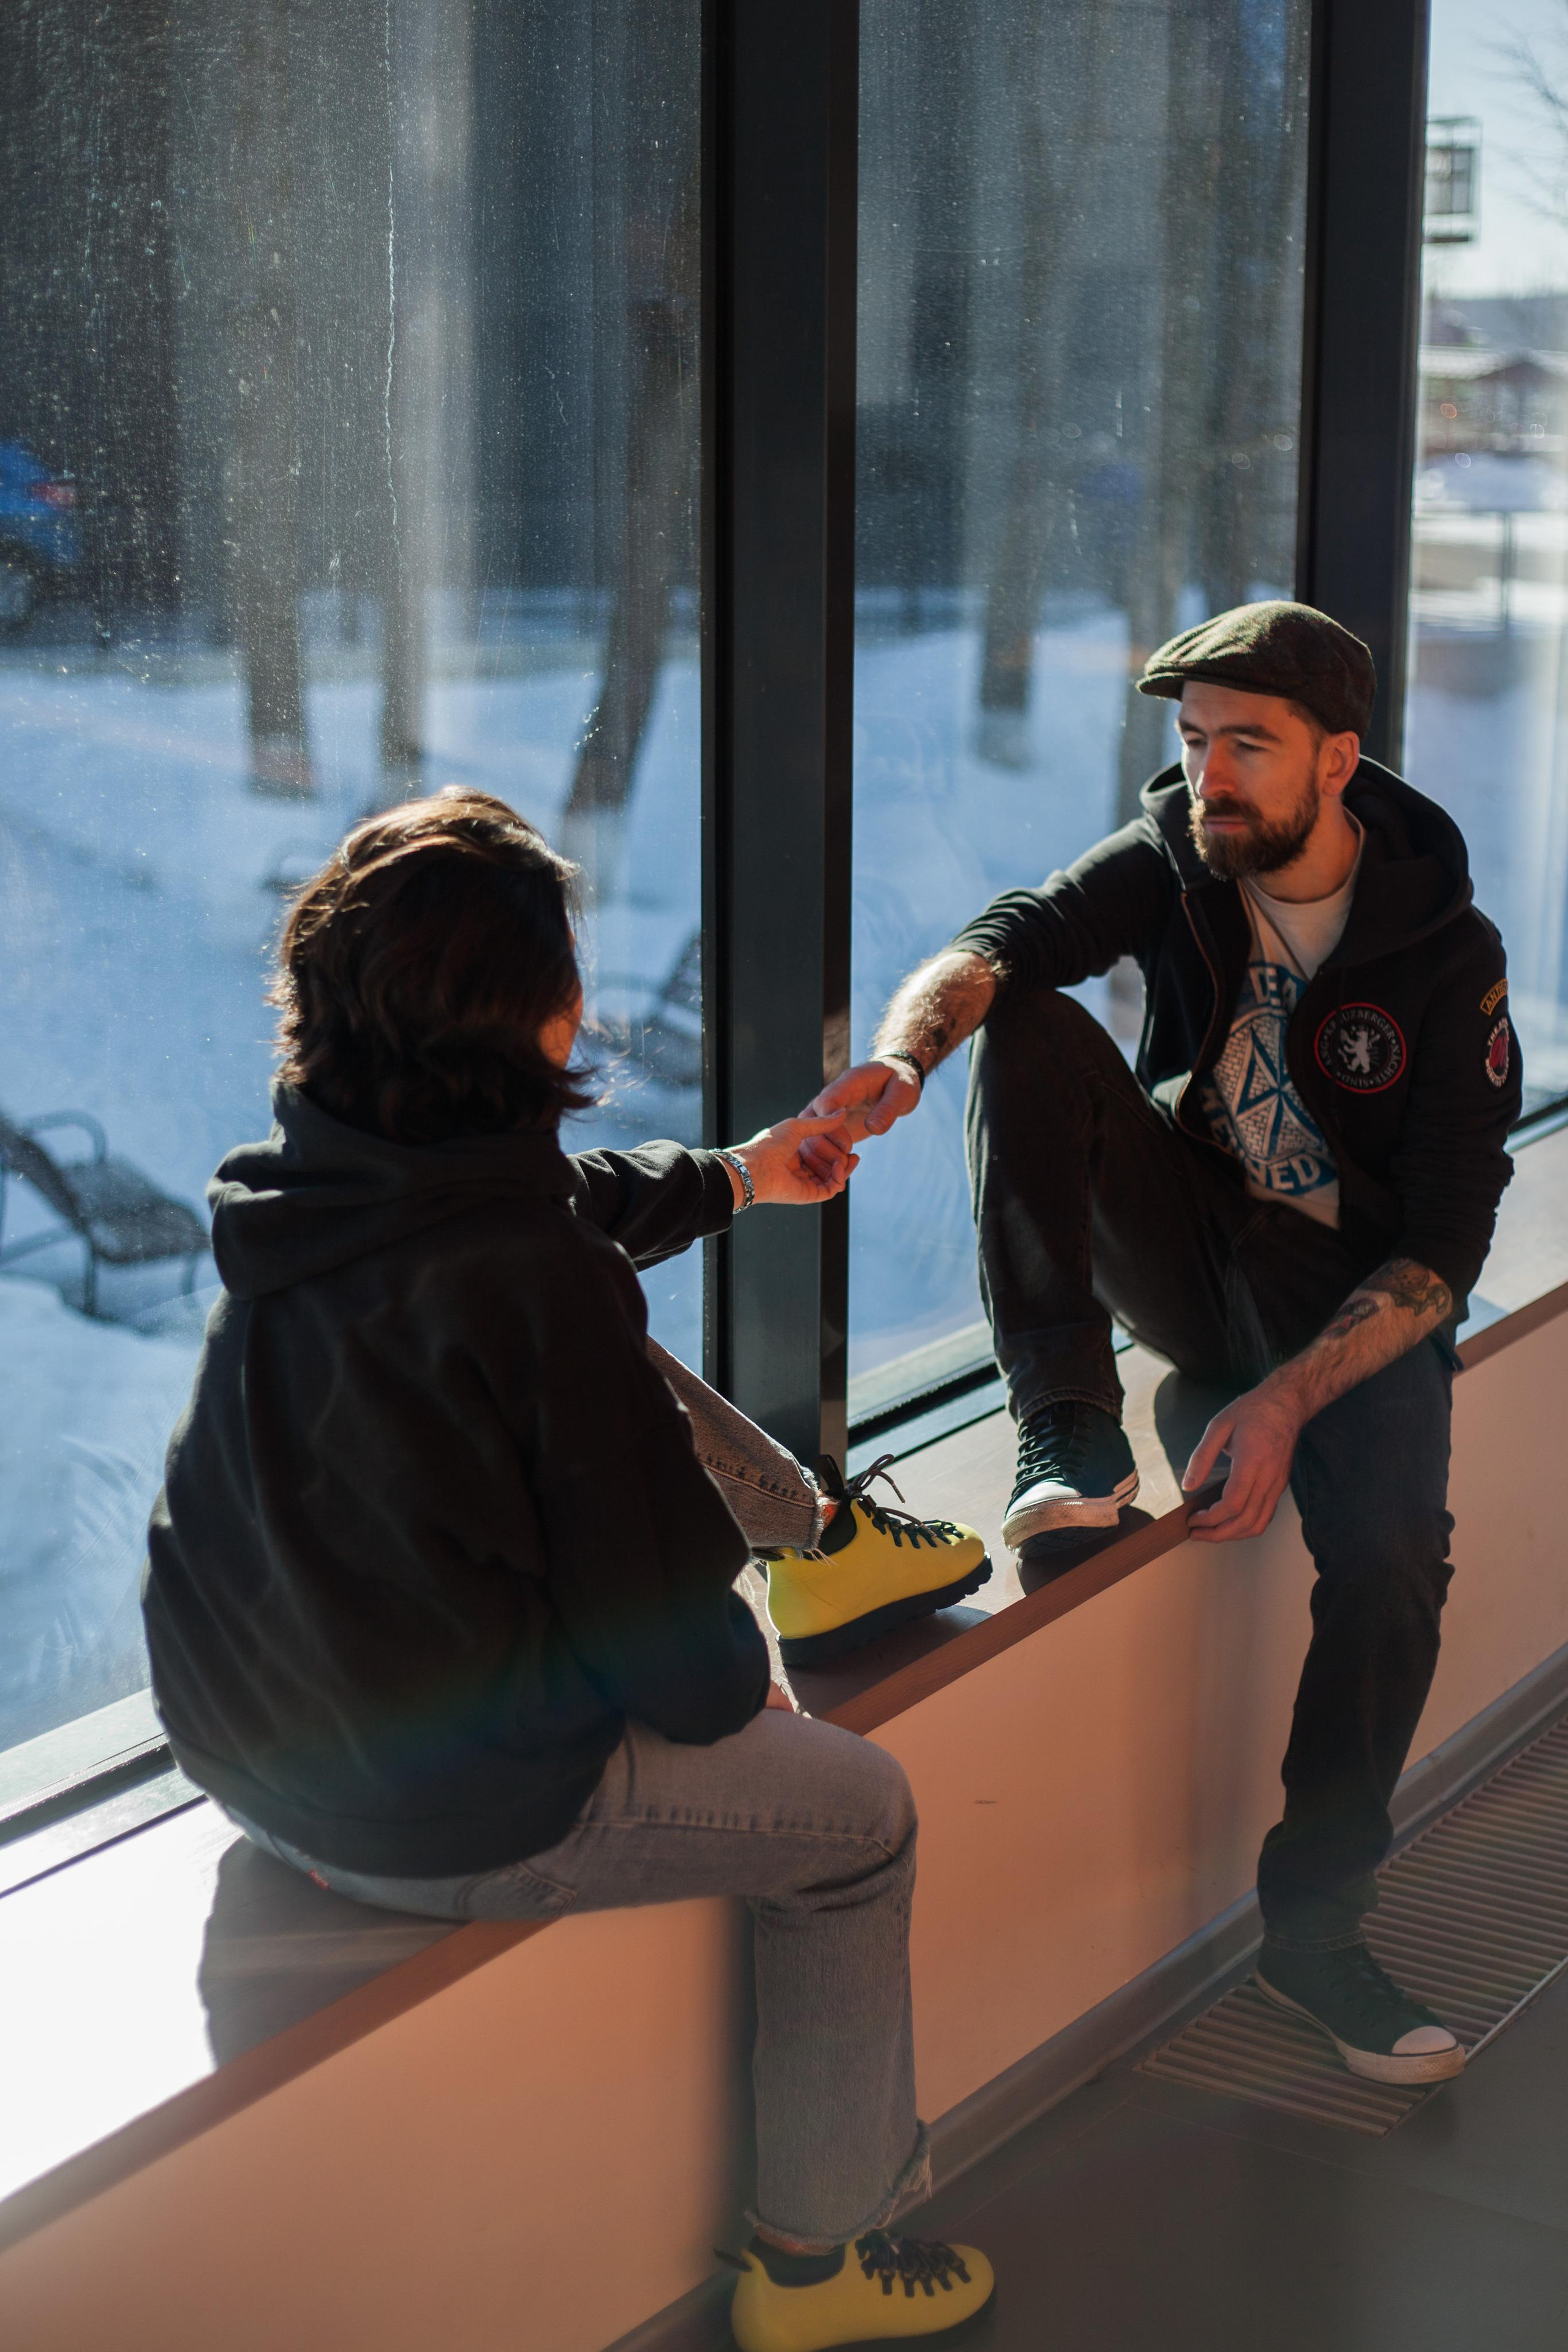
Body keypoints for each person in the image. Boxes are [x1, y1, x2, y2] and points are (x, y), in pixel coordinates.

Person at [141, 790, 993, 2351]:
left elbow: (545, 1216)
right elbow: (675, 1666)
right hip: (425, 1818)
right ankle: (818, 2261)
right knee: (860, 1819)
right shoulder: (535, 1282)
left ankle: (811, 1539)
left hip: (246, 1746)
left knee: (590, 1333)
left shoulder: (303, 1187)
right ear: (527, 1017)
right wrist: (733, 1670)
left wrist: (743, 1173)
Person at [807, 600, 1520, 2090]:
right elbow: (1006, 940)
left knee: (1394, 1562)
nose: (1209, 777)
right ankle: (1063, 1430)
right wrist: (899, 1056)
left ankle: (1314, 1933)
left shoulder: (1447, 956)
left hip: (1348, 1291)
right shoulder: (1179, 856)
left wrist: (1283, 1402)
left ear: (1336, 760)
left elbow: (1443, 1250)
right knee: (1024, 1025)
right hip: (1193, 1247)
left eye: (1246, 745)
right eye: (1193, 743)